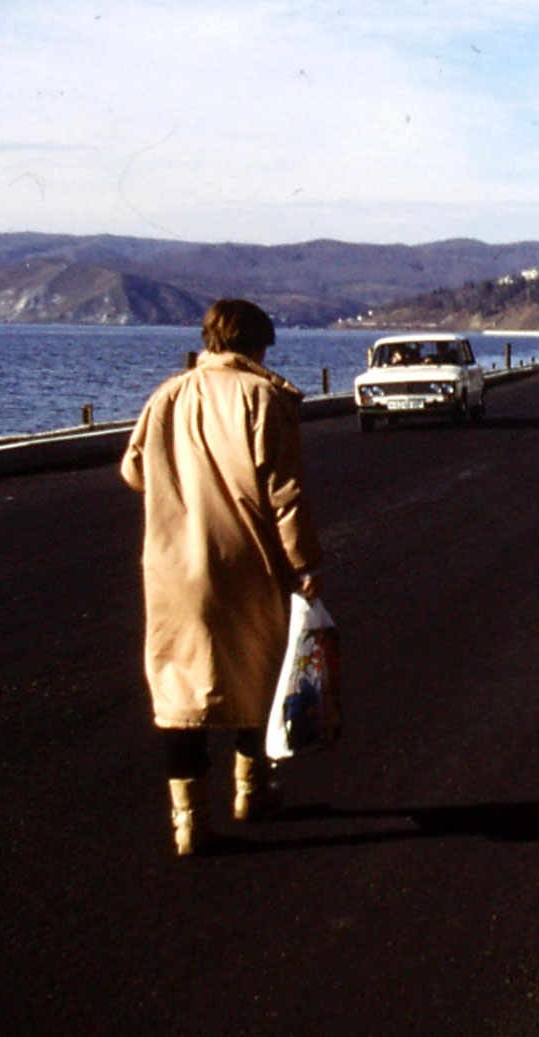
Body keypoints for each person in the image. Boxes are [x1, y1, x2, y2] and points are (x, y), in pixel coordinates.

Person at [122, 297, 319, 857]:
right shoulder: (265, 398)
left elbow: (133, 471)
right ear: (257, 344)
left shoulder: (168, 394)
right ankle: (251, 791)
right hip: (247, 560)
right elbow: (286, 496)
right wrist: (305, 565)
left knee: (178, 688)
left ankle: (188, 822)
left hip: (173, 565)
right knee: (255, 673)